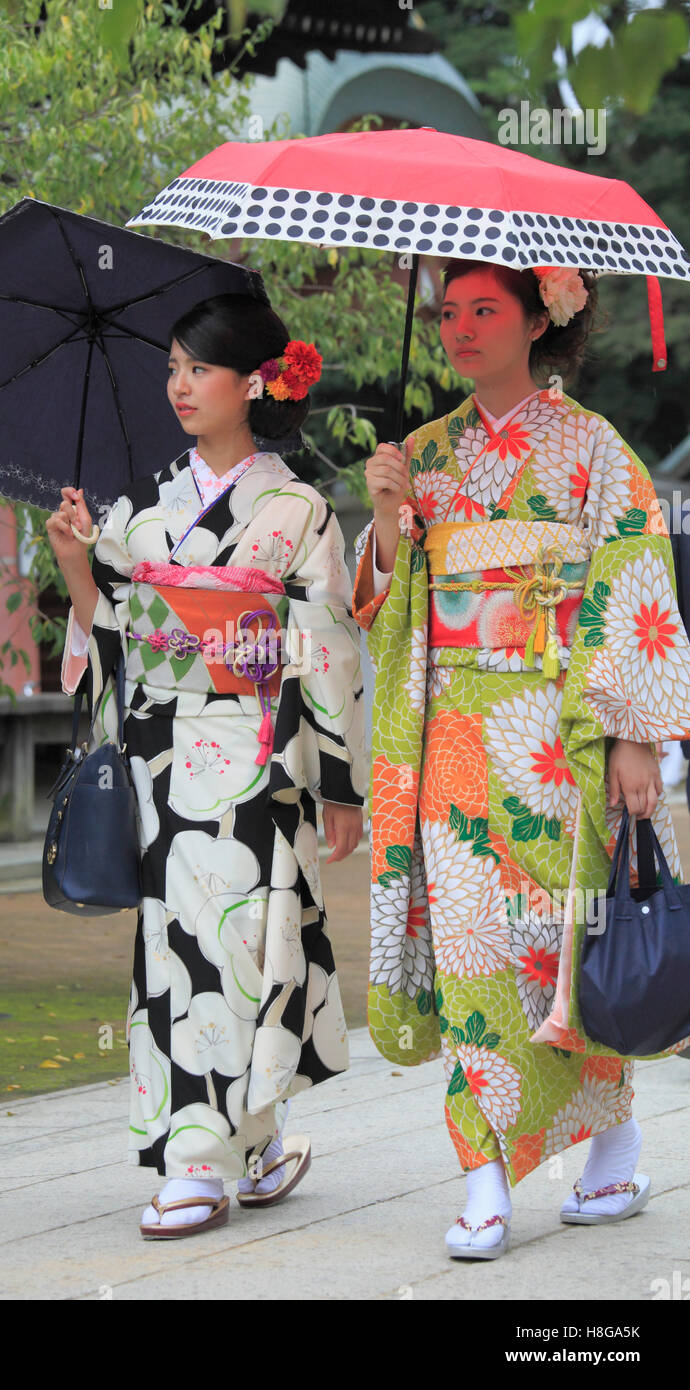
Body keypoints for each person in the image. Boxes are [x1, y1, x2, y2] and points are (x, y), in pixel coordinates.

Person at [353, 259, 690, 1260]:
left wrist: (632, 733)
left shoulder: (593, 449)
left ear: (538, 316)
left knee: (558, 951)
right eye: (447, 311)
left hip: (556, 740)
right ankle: (483, 1174)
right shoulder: (422, 453)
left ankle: (612, 1139)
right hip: (454, 734)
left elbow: (632, 576)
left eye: (482, 309)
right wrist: (383, 520)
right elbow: (379, 610)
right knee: (468, 958)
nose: (458, 328)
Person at [46, 292, 366, 1238]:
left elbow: (329, 644)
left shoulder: (299, 509)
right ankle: (237, 1140)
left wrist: (336, 782)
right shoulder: (143, 508)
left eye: (200, 368)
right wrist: (75, 560)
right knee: (170, 950)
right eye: (174, 367)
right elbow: (107, 631)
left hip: (254, 756)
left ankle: (199, 1161)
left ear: (254, 382)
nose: (180, 385)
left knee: (231, 945)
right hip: (157, 753)